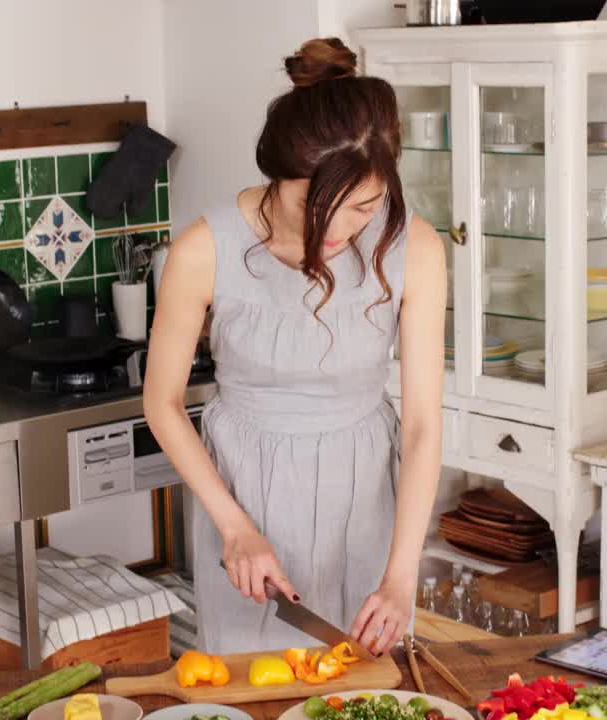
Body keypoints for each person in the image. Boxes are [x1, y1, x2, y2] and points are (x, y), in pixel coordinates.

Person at [143, 37, 445, 655]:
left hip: (365, 497)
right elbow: (163, 403)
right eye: (314, 204)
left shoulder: (415, 247)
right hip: (245, 495)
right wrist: (234, 527)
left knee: (365, 689)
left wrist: (401, 574)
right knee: (258, 688)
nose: (336, 232)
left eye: (361, 209)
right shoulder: (204, 250)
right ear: (278, 174)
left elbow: (420, 427)